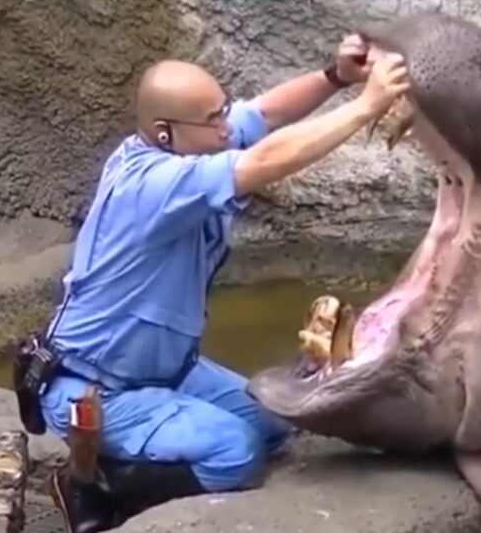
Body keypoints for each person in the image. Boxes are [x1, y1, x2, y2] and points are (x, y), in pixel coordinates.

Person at [27, 35, 409, 533]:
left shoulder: (196, 142)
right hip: (98, 387)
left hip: (165, 369)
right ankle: (91, 485)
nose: (229, 127)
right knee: (235, 452)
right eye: (215, 120)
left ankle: (139, 453)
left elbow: (266, 115)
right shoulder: (152, 184)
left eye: (223, 110)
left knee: (274, 420)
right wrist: (366, 107)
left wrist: (335, 76)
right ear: (164, 133)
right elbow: (266, 160)